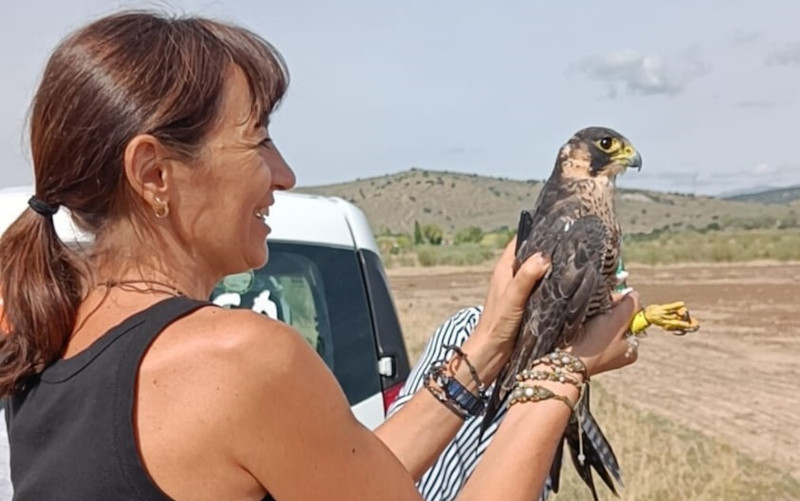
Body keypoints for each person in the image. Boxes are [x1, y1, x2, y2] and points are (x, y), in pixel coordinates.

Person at [0, 11, 640, 500]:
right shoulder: (236, 359)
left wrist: (486, 354)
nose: (285, 174)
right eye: (258, 140)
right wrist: (564, 371)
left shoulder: (48, 329)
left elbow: (342, 472)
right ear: (154, 174)